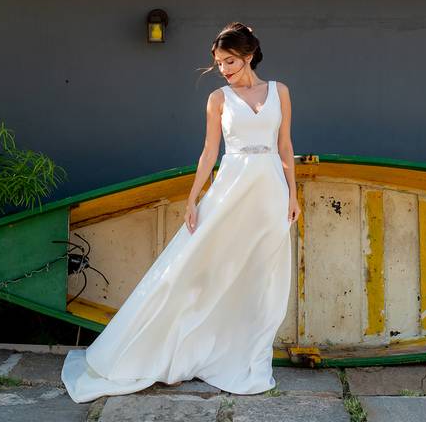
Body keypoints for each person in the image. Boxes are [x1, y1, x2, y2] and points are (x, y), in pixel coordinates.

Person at [61, 22, 300, 403]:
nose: (224, 69)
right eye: (219, 63)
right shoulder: (218, 99)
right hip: (230, 190)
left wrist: (292, 194)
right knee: (195, 266)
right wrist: (192, 198)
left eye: (230, 61)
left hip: (270, 192)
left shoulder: (280, 91)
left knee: (263, 277)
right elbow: (209, 152)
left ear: (249, 55)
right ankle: (169, 347)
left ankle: (249, 361)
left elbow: (285, 146)